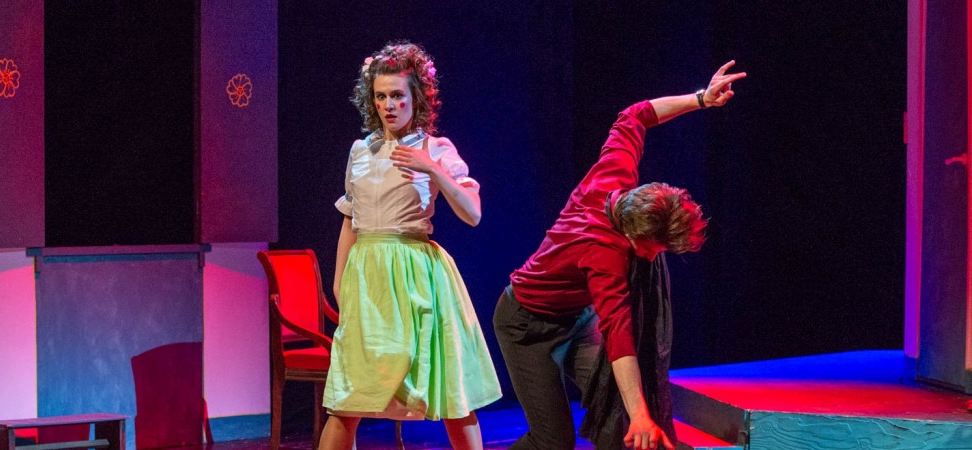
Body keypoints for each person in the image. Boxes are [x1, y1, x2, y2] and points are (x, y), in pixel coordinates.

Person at [494, 61, 746, 450]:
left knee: (622, 413)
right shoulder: (603, 253)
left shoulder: (616, 176)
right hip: (526, 326)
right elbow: (619, 334)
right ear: (633, 235)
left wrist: (700, 99)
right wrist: (641, 415)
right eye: (654, 249)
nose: (653, 258)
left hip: (577, 318)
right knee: (554, 442)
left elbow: (635, 115)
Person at [319, 41, 502, 450]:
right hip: (368, 281)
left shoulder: (436, 149)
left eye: (398, 95)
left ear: (416, 97)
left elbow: (472, 213)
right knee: (347, 398)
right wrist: (339, 282)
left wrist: (432, 169)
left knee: (450, 395)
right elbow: (351, 219)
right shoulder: (360, 151)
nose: (389, 105)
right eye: (381, 96)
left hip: (417, 277)